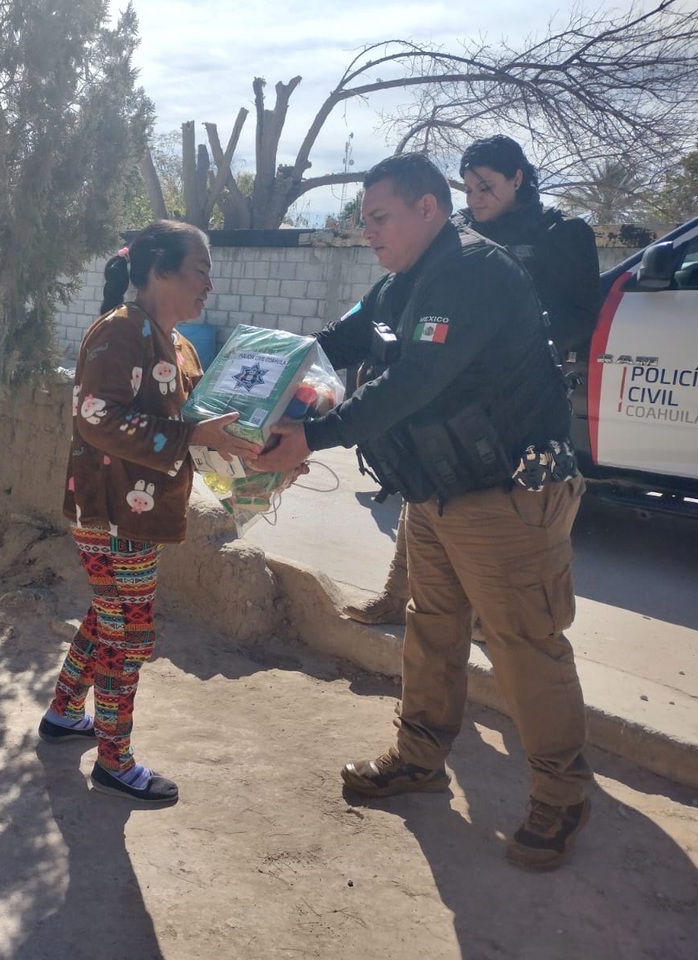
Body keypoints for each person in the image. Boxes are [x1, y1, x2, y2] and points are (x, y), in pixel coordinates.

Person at [252, 153, 593, 871]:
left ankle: (561, 798)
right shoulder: (405, 279)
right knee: (432, 630)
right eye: (363, 220)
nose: (367, 231)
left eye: (379, 217)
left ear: (428, 210)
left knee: (524, 645)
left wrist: (312, 435)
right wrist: (268, 371)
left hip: (506, 496)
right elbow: (345, 338)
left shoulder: (471, 271)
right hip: (438, 490)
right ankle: (418, 759)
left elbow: (416, 380)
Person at [38, 221, 260, 806]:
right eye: (200, 271)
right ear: (160, 270)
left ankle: (65, 715)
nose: (209, 285)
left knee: (109, 617)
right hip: (112, 515)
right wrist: (187, 435)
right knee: (127, 634)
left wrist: (264, 458)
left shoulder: (180, 345)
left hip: (138, 514)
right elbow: (96, 418)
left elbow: (200, 429)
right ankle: (115, 760)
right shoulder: (121, 332)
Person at [344, 135, 600, 627]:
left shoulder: (560, 233)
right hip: (446, 392)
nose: (474, 198)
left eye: (486, 186)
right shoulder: (454, 234)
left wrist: (511, 336)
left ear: (518, 179)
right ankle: (397, 596)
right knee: (423, 491)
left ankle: (488, 620)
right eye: (468, 187)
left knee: (500, 533)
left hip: (517, 399)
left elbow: (579, 314)